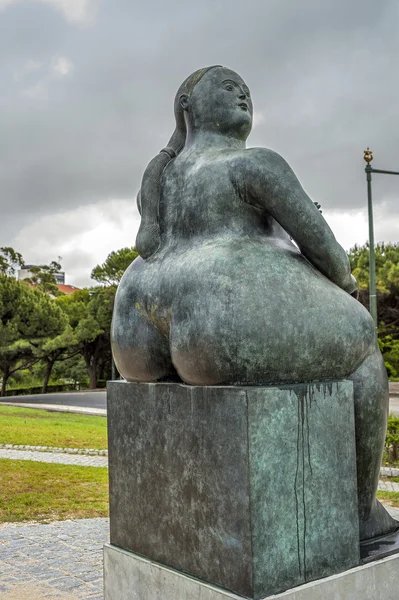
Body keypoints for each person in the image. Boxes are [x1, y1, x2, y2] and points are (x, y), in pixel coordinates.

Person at [111, 65, 397, 541]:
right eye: (227, 85)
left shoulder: (162, 180)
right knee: (365, 347)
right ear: (188, 106)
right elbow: (322, 245)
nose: (242, 92)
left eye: (245, 88)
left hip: (136, 319)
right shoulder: (253, 163)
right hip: (221, 309)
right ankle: (363, 513)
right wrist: (345, 288)